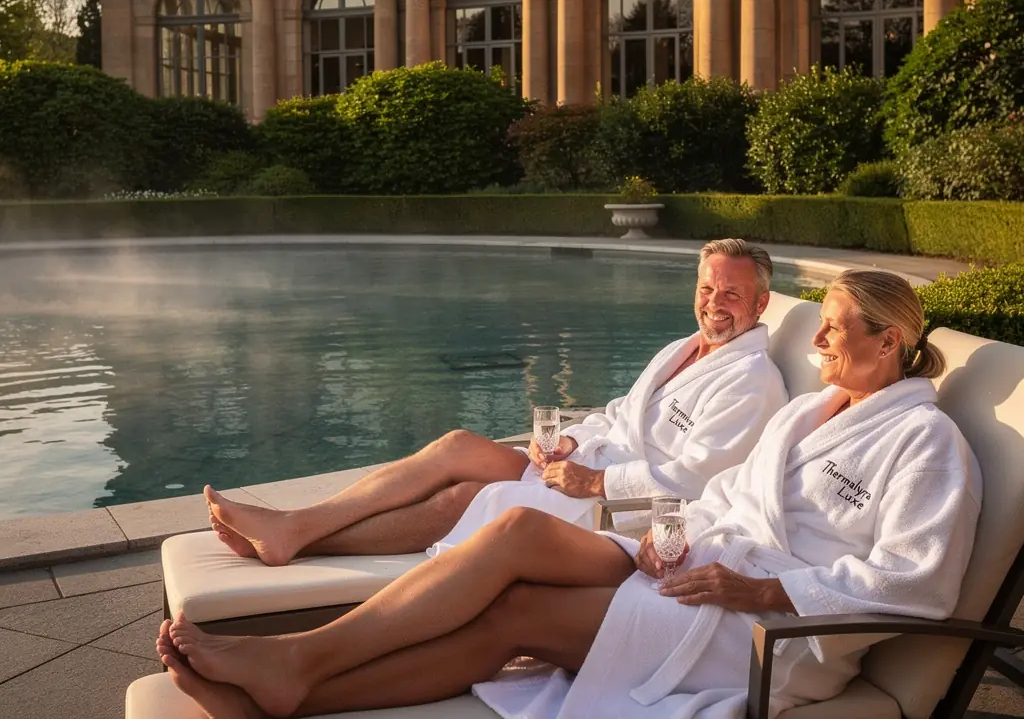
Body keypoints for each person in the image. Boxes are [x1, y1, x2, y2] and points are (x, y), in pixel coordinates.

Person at [159, 268, 981, 718]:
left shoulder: (927, 444)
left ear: (891, 340)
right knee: (515, 530)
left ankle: (295, 678)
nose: (823, 338)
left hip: (773, 630)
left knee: (513, 619)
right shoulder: (812, 409)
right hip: (704, 564)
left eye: (836, 325)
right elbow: (725, 491)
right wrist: (682, 539)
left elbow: (915, 586)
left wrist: (759, 588)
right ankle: (299, 656)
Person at [204, 238, 787, 566]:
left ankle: (299, 539)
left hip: (621, 509)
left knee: (460, 498)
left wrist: (593, 483)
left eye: (732, 293)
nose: (715, 303)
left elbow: (696, 479)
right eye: (707, 288)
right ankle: (293, 524)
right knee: (457, 445)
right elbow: (619, 413)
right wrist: (570, 443)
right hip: (587, 467)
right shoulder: (682, 349)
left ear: (760, 305)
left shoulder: (752, 382)